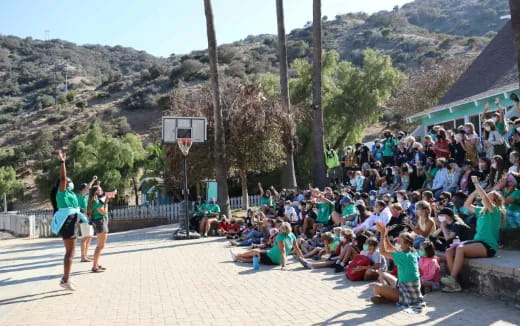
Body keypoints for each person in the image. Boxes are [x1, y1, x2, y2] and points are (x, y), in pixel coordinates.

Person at [442, 176, 505, 292]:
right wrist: (476, 190)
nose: (485, 198)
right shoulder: (481, 210)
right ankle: (454, 283)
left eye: (489, 197)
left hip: (488, 245)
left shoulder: (495, 210)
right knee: (449, 251)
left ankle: (452, 279)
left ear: (495, 201)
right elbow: (466, 204)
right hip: (477, 242)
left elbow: (484, 198)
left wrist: (476, 183)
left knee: (460, 249)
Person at [50, 149, 89, 291]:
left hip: (72, 220)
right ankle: (65, 280)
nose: (69, 182)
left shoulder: (70, 194)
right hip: (68, 221)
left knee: (71, 251)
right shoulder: (62, 192)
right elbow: (63, 178)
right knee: (70, 252)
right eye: (68, 181)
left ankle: (66, 278)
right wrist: (62, 162)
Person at [372, 223, 425, 312]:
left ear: (407, 244)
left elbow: (382, 251)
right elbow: (389, 247)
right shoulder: (411, 251)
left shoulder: (403, 255)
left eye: (399, 241)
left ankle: (387, 297)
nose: (397, 243)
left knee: (376, 287)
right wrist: (385, 235)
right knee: (383, 274)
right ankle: (387, 296)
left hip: (407, 295)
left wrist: (381, 233)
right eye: (398, 241)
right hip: (403, 286)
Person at [231, 222, 305, 271]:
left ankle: (238, 256)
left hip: (273, 258)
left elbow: (283, 251)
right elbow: (297, 249)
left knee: (256, 252)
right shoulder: (292, 235)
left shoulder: (280, 237)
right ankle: (237, 257)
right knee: (257, 257)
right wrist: (303, 259)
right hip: (276, 257)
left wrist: (284, 265)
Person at [87, 185, 112, 273]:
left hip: (99, 222)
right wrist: (106, 203)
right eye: (100, 190)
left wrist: (106, 202)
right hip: (100, 223)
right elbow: (104, 212)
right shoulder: (96, 202)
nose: (101, 191)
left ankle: (96, 264)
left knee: (100, 246)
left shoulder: (93, 201)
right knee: (100, 246)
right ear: (96, 192)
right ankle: (94, 266)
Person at [77, 176, 97, 262]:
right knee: (85, 237)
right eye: (86, 188)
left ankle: (85, 255)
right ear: (83, 189)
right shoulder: (80, 195)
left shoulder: (86, 197)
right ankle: (82, 256)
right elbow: (88, 187)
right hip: (83, 218)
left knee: (89, 237)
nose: (88, 190)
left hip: (88, 217)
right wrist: (93, 180)